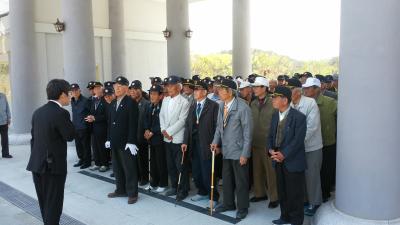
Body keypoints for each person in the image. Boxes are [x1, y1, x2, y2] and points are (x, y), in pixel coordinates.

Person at [27, 79, 75, 225]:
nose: (71, 97)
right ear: (62, 95)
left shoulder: (37, 112)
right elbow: (69, 136)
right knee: (54, 206)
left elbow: (34, 139)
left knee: (44, 204)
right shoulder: (61, 113)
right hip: (52, 168)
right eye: (69, 93)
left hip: (36, 165)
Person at [211, 78, 253, 219]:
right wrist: (215, 142)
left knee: (241, 181)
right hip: (226, 150)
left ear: (230, 91)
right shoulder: (222, 105)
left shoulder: (243, 107)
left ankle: (243, 207)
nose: (219, 91)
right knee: (227, 179)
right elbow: (218, 127)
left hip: (239, 151)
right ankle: (228, 203)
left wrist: (245, 154)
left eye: (222, 89)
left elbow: (248, 133)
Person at [268, 86, 307, 225]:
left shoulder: (299, 117)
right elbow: (271, 136)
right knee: (282, 191)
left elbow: (298, 141)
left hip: (293, 161)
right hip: (277, 160)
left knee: (295, 193)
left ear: (284, 100)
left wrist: (284, 154)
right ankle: (284, 216)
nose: (272, 99)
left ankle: (296, 221)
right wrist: (270, 150)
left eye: (275, 97)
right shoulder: (274, 115)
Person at [182, 80, 220, 205]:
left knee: (208, 172)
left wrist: (216, 143)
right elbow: (188, 125)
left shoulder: (213, 106)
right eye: (195, 90)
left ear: (204, 92)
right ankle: (202, 192)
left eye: (198, 90)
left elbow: (217, 127)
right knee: (197, 171)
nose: (195, 92)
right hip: (194, 143)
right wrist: (185, 141)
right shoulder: (193, 105)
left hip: (207, 143)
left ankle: (213, 197)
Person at [290, 78, 323, 216]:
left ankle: (314, 202)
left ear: (297, 91)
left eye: (290, 89)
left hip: (311, 147)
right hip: (295, 147)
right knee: (300, 175)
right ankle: (304, 200)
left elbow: (312, 127)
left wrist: (296, 143)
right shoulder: (290, 104)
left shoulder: (310, 103)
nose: (288, 92)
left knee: (312, 176)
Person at [106, 76, 140, 205]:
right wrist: (109, 138)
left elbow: (133, 124)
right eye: (116, 86)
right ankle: (120, 189)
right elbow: (110, 123)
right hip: (115, 141)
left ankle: (132, 193)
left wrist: (131, 141)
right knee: (117, 167)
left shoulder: (131, 103)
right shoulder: (113, 103)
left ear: (126, 88)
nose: (117, 88)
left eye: (120, 86)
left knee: (129, 168)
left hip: (126, 143)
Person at [303, 78, 337, 202]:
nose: (305, 90)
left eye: (308, 88)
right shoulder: (303, 103)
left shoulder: (331, 102)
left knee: (325, 172)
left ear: (317, 89)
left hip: (327, 143)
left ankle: (324, 195)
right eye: (304, 88)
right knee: (311, 173)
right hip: (310, 144)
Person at [250, 77, 279, 208]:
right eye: (254, 87)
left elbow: (278, 123)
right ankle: (259, 194)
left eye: (257, 87)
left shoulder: (273, 102)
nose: (254, 89)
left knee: (271, 172)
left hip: (269, 144)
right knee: (257, 170)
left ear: (264, 88)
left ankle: (274, 197)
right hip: (255, 141)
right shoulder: (253, 103)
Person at [159, 76, 190, 201]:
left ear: (178, 86)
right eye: (167, 86)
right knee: (170, 164)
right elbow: (161, 116)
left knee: (180, 165)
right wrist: (163, 130)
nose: (168, 88)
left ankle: (183, 189)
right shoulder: (165, 100)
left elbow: (183, 120)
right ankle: (174, 186)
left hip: (177, 137)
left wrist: (169, 131)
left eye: (171, 85)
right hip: (167, 137)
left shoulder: (184, 102)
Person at [144, 84, 168, 193]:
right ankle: (153, 182)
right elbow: (146, 120)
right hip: (151, 138)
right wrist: (146, 130)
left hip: (160, 138)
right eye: (150, 94)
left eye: (154, 94)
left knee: (161, 162)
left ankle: (163, 183)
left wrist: (152, 131)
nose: (151, 96)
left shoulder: (164, 106)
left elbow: (163, 123)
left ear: (161, 95)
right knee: (152, 162)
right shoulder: (150, 106)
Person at [129, 80, 151, 187]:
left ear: (140, 90)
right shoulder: (130, 103)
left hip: (142, 137)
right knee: (134, 159)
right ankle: (137, 176)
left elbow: (148, 121)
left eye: (135, 89)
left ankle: (145, 178)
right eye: (131, 90)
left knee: (143, 159)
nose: (132, 92)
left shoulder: (146, 104)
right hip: (132, 137)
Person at [85, 82, 110, 172]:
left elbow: (107, 115)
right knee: (95, 146)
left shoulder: (105, 100)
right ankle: (97, 163)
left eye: (98, 88)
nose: (96, 90)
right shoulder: (94, 100)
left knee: (102, 147)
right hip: (94, 128)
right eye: (94, 89)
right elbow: (92, 111)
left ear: (101, 89)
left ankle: (104, 164)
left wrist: (95, 118)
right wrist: (90, 116)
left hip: (102, 128)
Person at [70, 83, 91, 169]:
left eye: (76, 90)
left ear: (79, 90)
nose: (74, 92)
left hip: (84, 127)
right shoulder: (72, 101)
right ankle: (81, 159)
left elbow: (91, 112)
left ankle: (87, 162)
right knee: (78, 145)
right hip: (76, 127)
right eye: (72, 91)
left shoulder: (86, 101)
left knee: (85, 146)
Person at [0, 91, 11, 158]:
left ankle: (5, 154)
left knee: (5, 139)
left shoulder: (3, 96)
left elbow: (7, 107)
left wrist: (9, 117)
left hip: (4, 121)